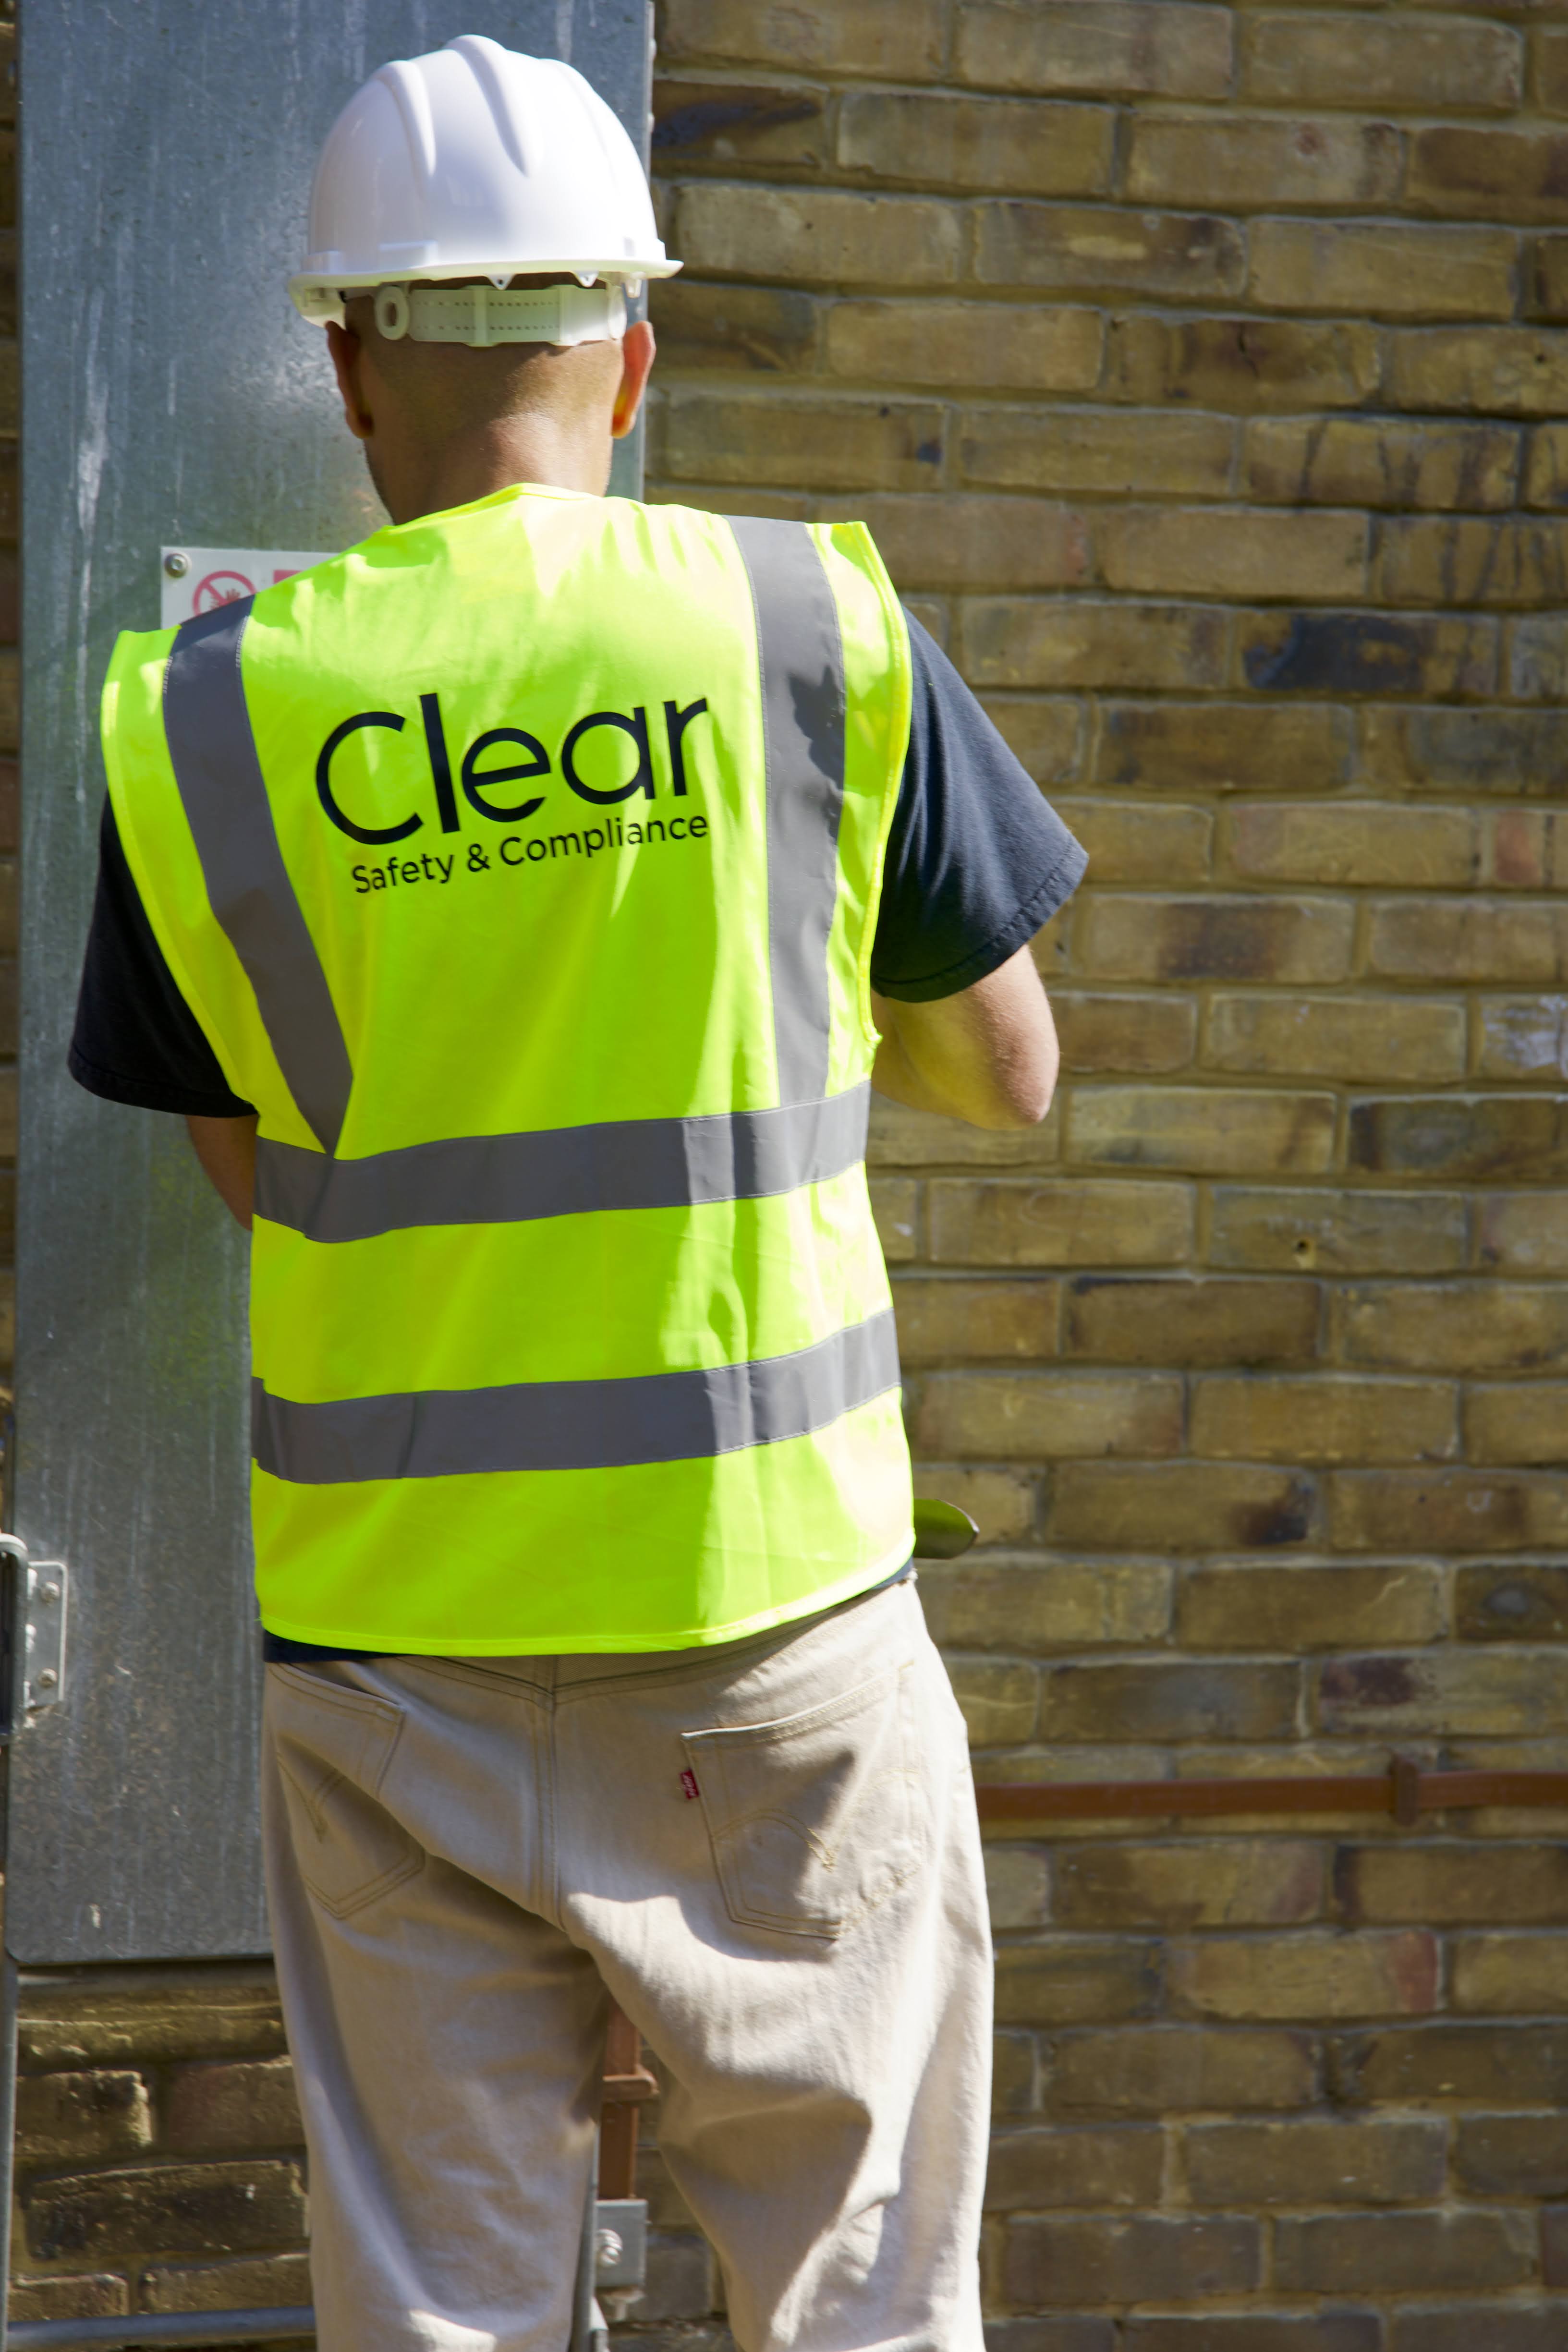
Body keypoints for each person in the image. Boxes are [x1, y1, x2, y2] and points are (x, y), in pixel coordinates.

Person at [69, 36, 1084, 2352]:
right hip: (776, 1627)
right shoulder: (805, 627)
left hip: (395, 1647)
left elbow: (260, 1170)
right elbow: (1013, 1070)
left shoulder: (209, 720)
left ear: (347, 374)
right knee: (852, 2298)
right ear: (631, 348)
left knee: (441, 2314)